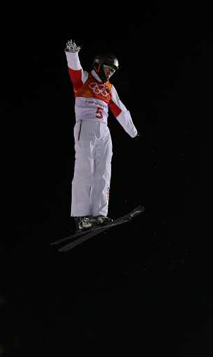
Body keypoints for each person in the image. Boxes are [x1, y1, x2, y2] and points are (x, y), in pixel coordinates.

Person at [65, 39, 139, 231]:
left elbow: (121, 111)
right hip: (86, 126)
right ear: (98, 65)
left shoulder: (109, 88)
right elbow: (74, 70)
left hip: (104, 131)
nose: (110, 73)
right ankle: (81, 216)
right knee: (85, 169)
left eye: (113, 71)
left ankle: (99, 214)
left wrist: (133, 132)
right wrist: (72, 54)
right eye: (108, 69)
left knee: (104, 171)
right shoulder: (84, 79)